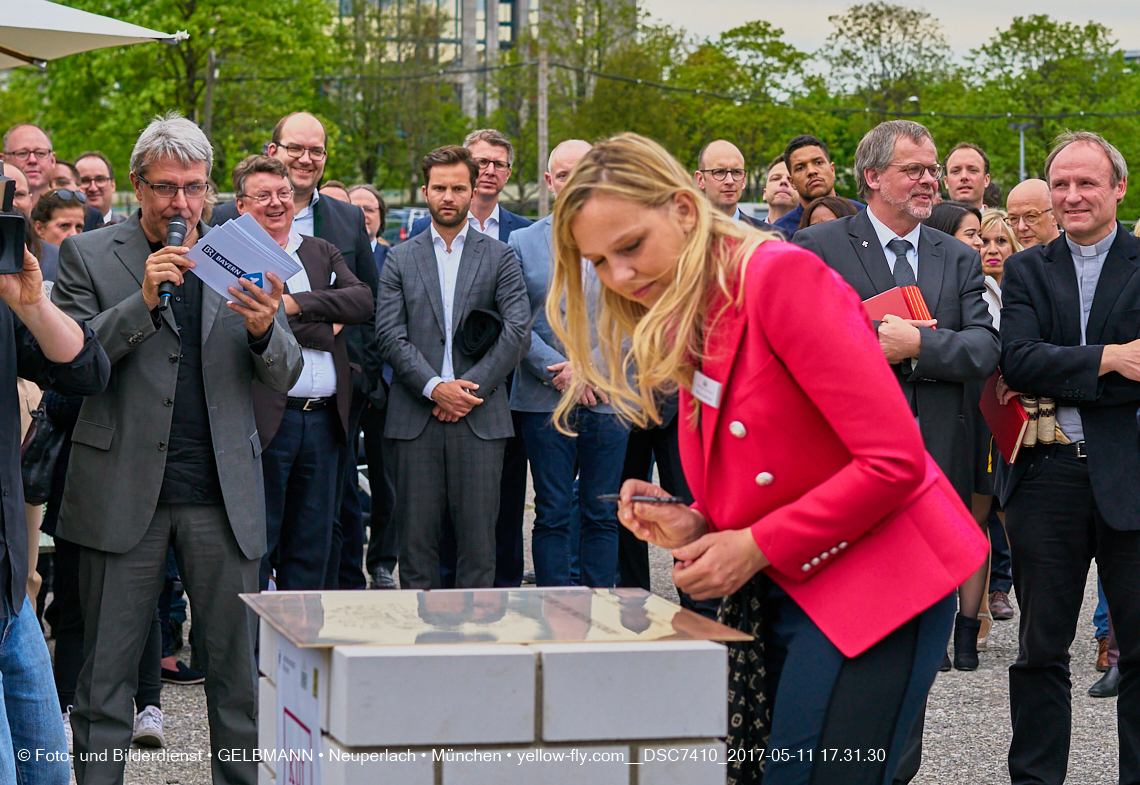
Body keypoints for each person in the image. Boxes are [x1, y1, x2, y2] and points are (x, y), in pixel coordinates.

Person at [548, 132, 986, 785]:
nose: (620, 276)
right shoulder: (692, 302)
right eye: (599, 261)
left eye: (631, 246)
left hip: (880, 584)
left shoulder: (780, 277)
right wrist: (700, 523)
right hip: (794, 578)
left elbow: (892, 461)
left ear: (685, 210)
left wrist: (753, 543)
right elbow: (777, 455)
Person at [51, 112, 302, 785]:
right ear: (137, 186)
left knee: (237, 684)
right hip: (121, 492)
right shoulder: (89, 254)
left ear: (212, 189)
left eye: (193, 187)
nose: (180, 203)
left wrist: (261, 330)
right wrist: (140, 301)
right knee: (103, 684)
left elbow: (285, 370)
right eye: (165, 187)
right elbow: (71, 362)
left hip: (221, 497)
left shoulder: (240, 251)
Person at [794, 120, 999, 779]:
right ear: (873, 177)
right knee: (844, 636)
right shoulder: (819, 246)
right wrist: (867, 342)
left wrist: (918, 347)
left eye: (932, 168)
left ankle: (897, 768)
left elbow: (985, 349)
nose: (929, 179)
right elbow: (797, 344)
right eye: (914, 169)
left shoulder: (958, 255)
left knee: (917, 643)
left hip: (934, 472)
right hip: (844, 476)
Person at [996, 130, 1140, 785]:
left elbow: (1042, 364)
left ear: (1119, 187)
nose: (1073, 195)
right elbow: (1018, 359)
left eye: (1086, 183)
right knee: (1040, 648)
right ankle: (1035, 777)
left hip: (1130, 475)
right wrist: (1110, 359)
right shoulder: (1027, 268)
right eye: (1062, 185)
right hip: (1046, 474)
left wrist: (1061, 369)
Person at [214, 111, 383, 590]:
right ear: (242, 204)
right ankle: (249, 658)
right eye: (264, 196)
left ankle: (299, 658)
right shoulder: (229, 242)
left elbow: (363, 301)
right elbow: (236, 322)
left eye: (283, 194)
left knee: (314, 544)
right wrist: (320, 323)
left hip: (326, 419)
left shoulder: (322, 247)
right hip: (266, 417)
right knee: (257, 541)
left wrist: (289, 305)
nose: (277, 203)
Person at [375, 145, 528, 589]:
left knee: (480, 551)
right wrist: (433, 387)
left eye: (457, 187)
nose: (448, 196)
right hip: (415, 419)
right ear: (425, 191)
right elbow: (389, 334)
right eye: (439, 187)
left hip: (480, 419)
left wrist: (465, 391)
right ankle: (423, 654)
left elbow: (516, 331)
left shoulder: (499, 255)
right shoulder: (401, 258)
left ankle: (476, 654)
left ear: (471, 189)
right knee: (417, 550)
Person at [0, 240, 109, 785]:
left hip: (8, 579)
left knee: (45, 765)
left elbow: (86, 372)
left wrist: (30, 302)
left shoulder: (5, 295)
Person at [510, 139, 630, 587]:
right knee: (552, 511)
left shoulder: (625, 237)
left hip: (608, 395)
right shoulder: (521, 242)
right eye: (562, 174)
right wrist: (560, 371)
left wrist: (590, 370)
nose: (571, 180)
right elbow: (516, 320)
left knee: (601, 511)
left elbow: (632, 315)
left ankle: (601, 610)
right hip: (544, 395)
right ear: (549, 182)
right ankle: (555, 611)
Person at [348, 184, 397, 589]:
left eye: (370, 208)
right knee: (343, 478)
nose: (363, 214)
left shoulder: (393, 257)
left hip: (388, 385)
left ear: (381, 214)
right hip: (346, 382)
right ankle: (347, 558)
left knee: (387, 481)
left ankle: (382, 562)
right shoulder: (335, 255)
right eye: (355, 208)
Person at [4, 124, 104, 231]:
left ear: (52, 160)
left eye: (41, 153)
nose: (32, 160)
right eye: (22, 153)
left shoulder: (88, 217)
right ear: (3, 159)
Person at [774, 134, 863, 237]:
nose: (811, 171)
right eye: (800, 168)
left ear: (832, 170)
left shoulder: (863, 216)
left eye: (818, 162)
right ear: (792, 182)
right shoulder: (780, 233)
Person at [693, 139, 780, 232]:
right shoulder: (682, 235)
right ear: (700, 179)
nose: (730, 181)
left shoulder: (770, 236)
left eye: (736, 172)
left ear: (744, 179)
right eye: (719, 172)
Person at [1005, 178, 1060, 248]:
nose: (1021, 227)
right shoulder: (1006, 257)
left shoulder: (1075, 255)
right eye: (1013, 219)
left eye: (1030, 216)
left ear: (1055, 215)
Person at [75, 151, 120, 224]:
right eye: (85, 180)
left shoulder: (132, 229)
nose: (93, 188)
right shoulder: (66, 232)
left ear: (113, 185)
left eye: (100, 180)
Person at [943, 143, 991, 211]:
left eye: (973, 170)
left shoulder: (1003, 221)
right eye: (955, 171)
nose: (964, 176)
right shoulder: (930, 221)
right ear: (946, 182)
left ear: (986, 180)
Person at [762, 154, 797, 225]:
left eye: (792, 180)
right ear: (764, 193)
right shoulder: (747, 235)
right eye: (776, 178)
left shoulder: (815, 235)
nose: (783, 181)